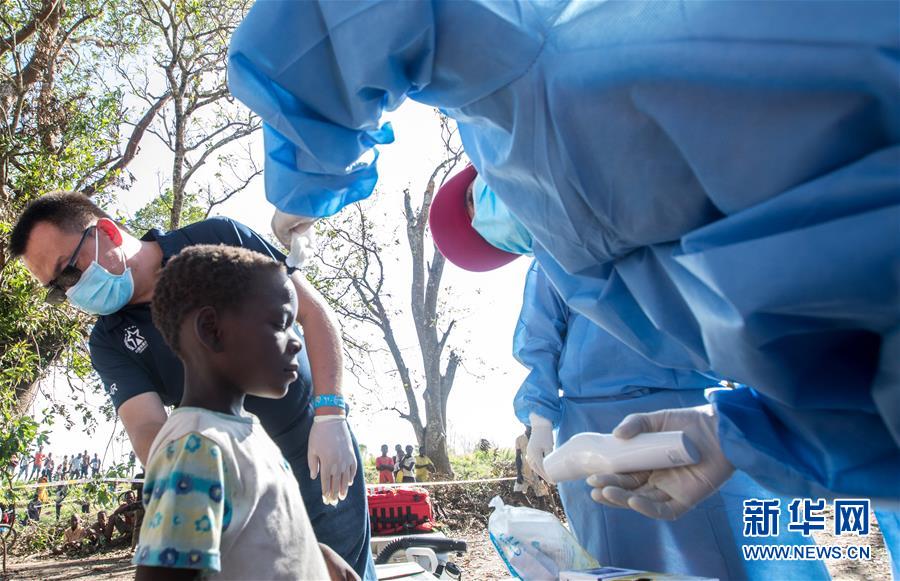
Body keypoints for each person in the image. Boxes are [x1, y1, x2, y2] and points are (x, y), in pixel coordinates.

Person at [229, 0, 899, 508]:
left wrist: (303, 180)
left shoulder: (549, 80)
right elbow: (847, 344)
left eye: (480, 212)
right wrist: (744, 432)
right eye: (495, 240)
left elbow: (352, 21)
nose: (505, 227)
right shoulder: (609, 266)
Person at [9, 192, 375, 579]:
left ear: (107, 232)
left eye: (68, 271)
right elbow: (146, 427)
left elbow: (312, 312)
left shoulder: (216, 240)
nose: (71, 292)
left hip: (316, 447)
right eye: (58, 289)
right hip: (235, 470)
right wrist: (194, 479)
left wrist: (330, 414)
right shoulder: (109, 340)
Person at [514, 261, 832, 578]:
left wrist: (762, 405)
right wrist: (539, 420)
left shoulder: (674, 232)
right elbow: (541, 339)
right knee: (624, 554)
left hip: (697, 409)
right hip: (594, 422)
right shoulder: (555, 254)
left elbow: (732, 312)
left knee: (735, 539)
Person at [132, 244, 355, 580]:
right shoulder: (196, 448)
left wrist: (315, 555)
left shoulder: (245, 430)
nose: (295, 341)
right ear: (212, 329)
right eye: (281, 323)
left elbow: (256, 532)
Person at [513, 426, 550, 511]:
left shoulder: (538, 439)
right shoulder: (519, 439)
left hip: (538, 470)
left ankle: (542, 517)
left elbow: (543, 456)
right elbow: (518, 457)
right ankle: (533, 511)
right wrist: (518, 473)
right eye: (527, 424)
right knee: (518, 491)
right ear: (525, 425)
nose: (529, 426)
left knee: (540, 496)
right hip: (525, 471)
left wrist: (543, 472)